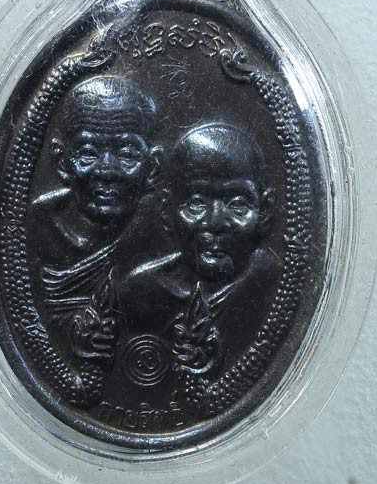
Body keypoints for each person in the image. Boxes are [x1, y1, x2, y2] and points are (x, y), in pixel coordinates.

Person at [113, 122, 281, 378]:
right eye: (196, 204)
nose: (215, 223)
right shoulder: (137, 294)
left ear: (265, 212)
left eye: (237, 205)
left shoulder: (275, 288)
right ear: (167, 212)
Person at [28, 75, 161, 325]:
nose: (107, 171)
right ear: (61, 162)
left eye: (127, 154)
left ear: (152, 167)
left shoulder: (164, 234)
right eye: (88, 153)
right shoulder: (36, 226)